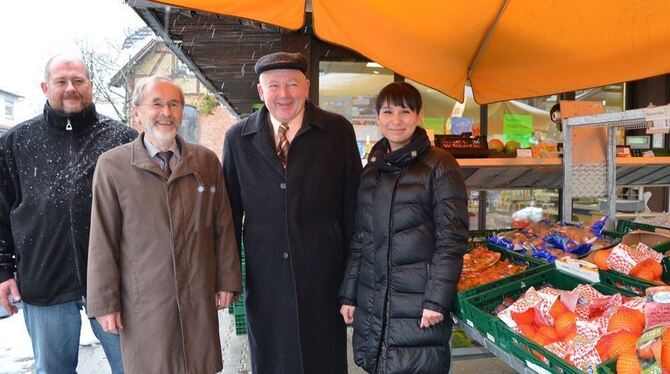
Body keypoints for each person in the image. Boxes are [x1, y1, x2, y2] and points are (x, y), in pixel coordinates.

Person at [85, 75, 242, 373]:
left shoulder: (205, 162)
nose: (166, 112)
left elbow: (222, 225)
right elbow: (102, 239)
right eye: (156, 103)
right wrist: (105, 303)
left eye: (174, 104)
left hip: (198, 292)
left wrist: (227, 279)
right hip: (144, 299)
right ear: (137, 112)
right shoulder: (113, 165)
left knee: (199, 365)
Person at [222, 51, 362, 373]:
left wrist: (352, 284)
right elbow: (227, 217)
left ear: (307, 87)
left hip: (324, 281)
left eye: (292, 84)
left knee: (324, 361)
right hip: (266, 279)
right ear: (261, 92)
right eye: (274, 86)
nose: (284, 94)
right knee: (273, 362)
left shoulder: (337, 132)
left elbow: (354, 213)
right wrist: (228, 280)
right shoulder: (238, 139)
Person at [0, 55, 137, 374]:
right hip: (44, 276)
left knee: (134, 366)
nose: (70, 88)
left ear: (91, 86)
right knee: (52, 370)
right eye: (61, 81)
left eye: (78, 81)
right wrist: (3, 270)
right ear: (45, 87)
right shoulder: (15, 143)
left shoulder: (123, 139)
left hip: (115, 281)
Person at [339, 82, 469, 373]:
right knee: (378, 363)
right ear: (378, 118)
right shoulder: (372, 169)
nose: (396, 120)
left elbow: (452, 239)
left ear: (419, 116)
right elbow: (361, 238)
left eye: (405, 112)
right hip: (374, 297)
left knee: (413, 365)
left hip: (418, 301)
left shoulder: (440, 165)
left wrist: (436, 300)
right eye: (388, 112)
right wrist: (349, 295)